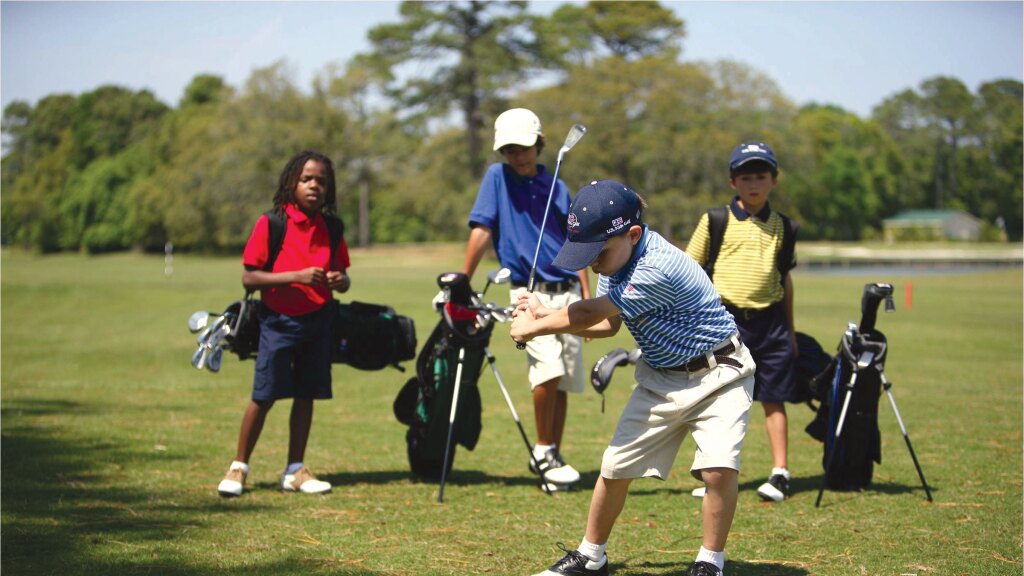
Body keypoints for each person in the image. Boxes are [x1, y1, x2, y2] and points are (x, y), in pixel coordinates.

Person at [511, 180, 756, 576]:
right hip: (661, 378)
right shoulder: (617, 260)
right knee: (614, 466)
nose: (592, 263)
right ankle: (592, 556)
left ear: (633, 234)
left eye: (597, 252)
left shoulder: (658, 266)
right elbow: (607, 324)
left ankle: (710, 562)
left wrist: (532, 329)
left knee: (717, 468)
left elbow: (591, 314)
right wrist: (541, 314)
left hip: (720, 375)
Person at [461, 107, 591, 491]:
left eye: (523, 148)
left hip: (567, 291)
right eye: (509, 150)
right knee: (547, 370)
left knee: (564, 380)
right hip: (528, 291)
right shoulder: (496, 178)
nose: (517, 156)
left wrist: (585, 291)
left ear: (540, 144)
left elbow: (575, 241)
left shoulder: (558, 186)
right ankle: (542, 448)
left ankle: (553, 454)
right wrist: (461, 280)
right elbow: (483, 227)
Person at [217, 150, 351, 498]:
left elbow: (345, 276)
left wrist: (339, 281)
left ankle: (295, 470)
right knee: (264, 395)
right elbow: (249, 278)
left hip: (319, 321)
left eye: (321, 181)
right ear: (292, 182)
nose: (314, 186)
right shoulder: (272, 222)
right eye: (307, 179)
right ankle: (239, 466)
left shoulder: (332, 227)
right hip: (276, 321)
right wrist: (297, 276)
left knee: (307, 394)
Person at [684, 142, 799, 503]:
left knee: (774, 398)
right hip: (724, 323)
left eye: (761, 177)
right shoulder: (715, 220)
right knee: (718, 400)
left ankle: (780, 472)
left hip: (772, 323)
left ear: (774, 181)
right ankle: (714, 472)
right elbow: (688, 271)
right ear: (733, 182)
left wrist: (791, 331)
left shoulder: (784, 226)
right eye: (746, 177)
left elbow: (785, 279)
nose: (754, 184)